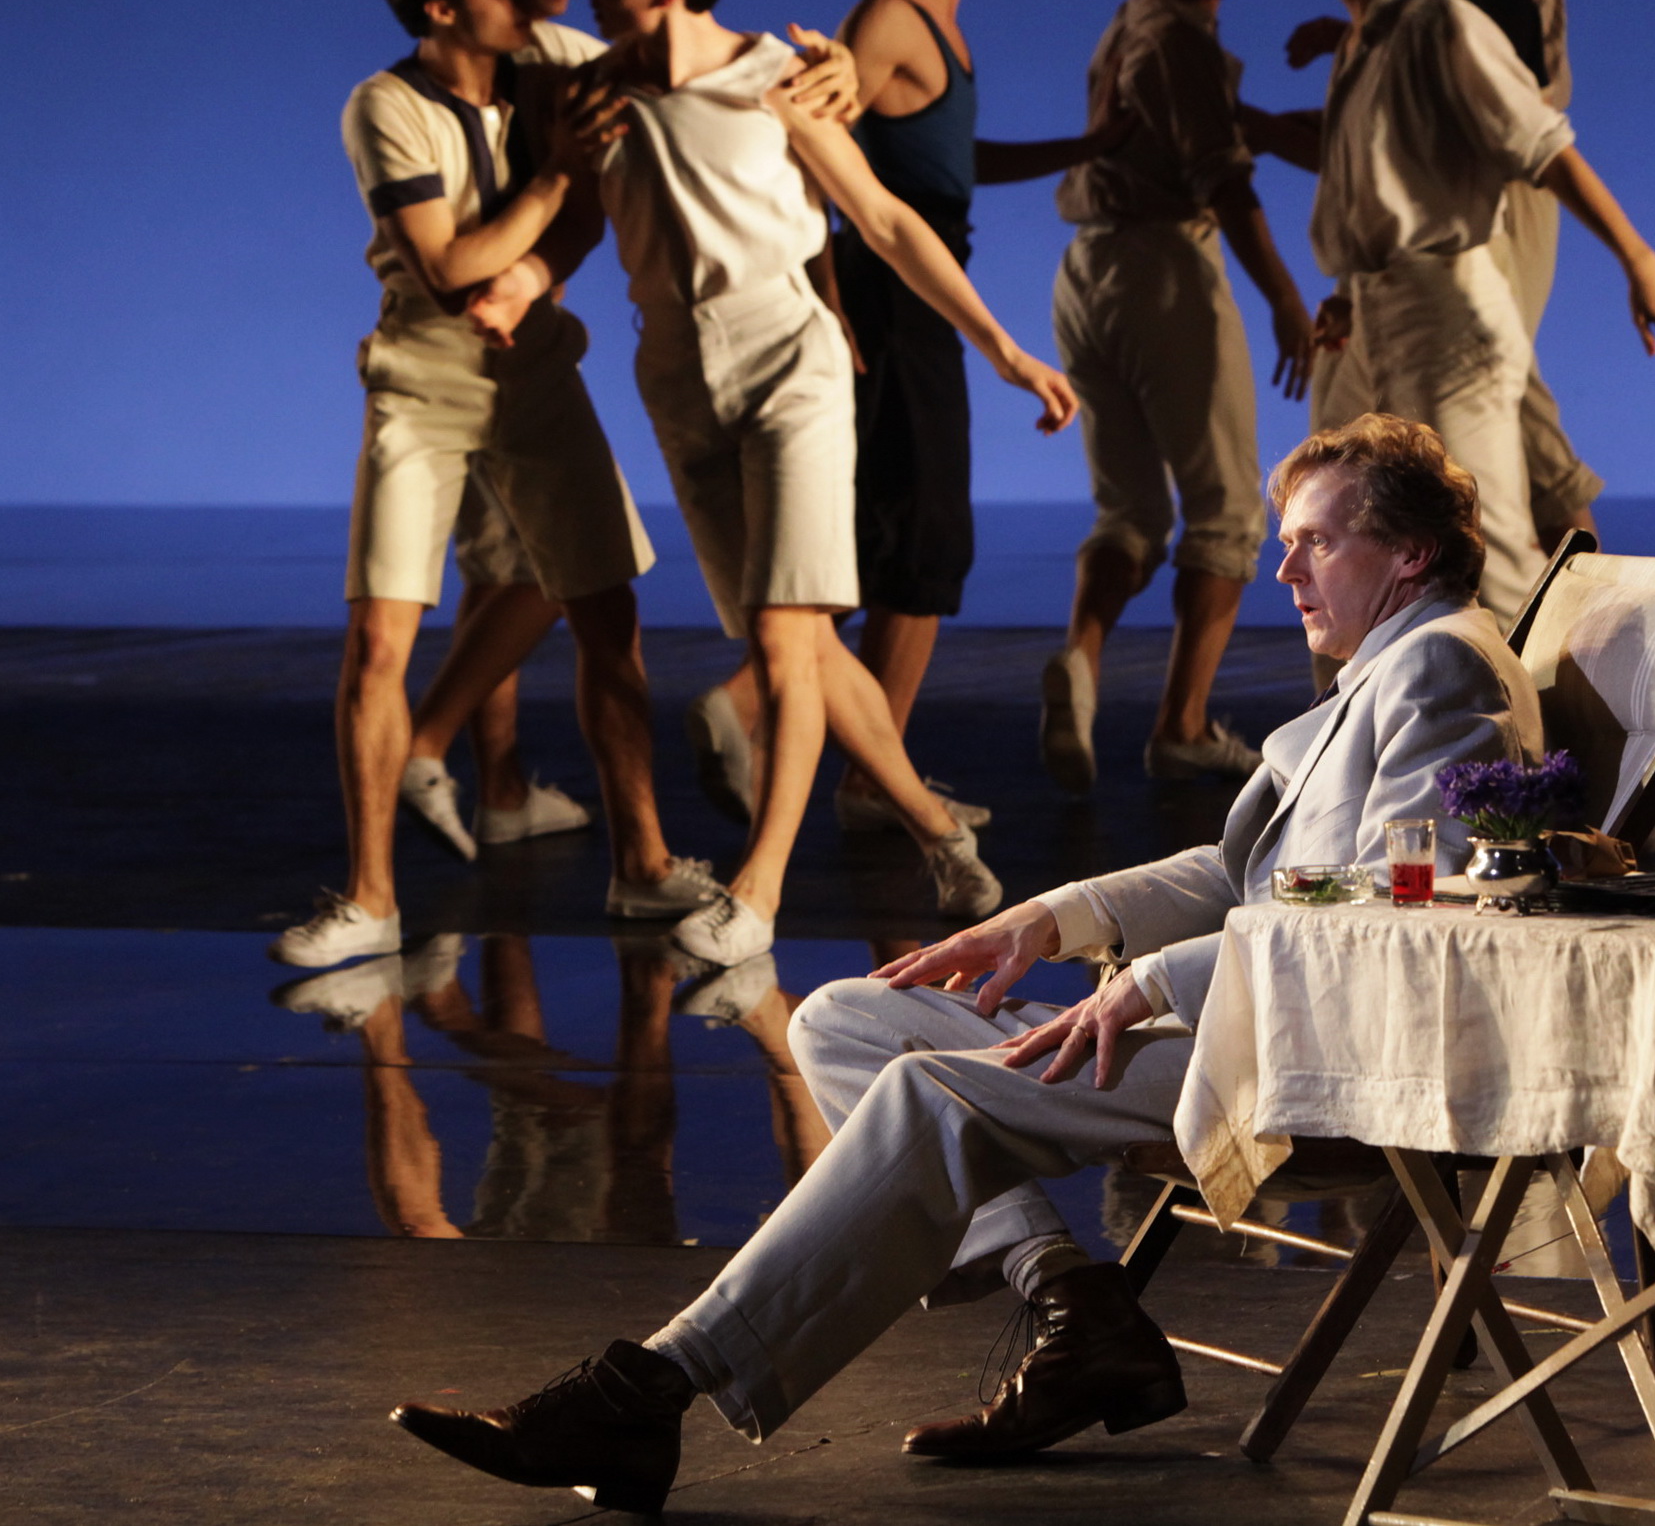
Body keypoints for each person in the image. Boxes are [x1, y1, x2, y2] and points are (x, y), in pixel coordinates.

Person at [382, 414, 1542, 1507]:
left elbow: (1411, 902)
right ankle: (1077, 1307)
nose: (1284, 573)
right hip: (1249, 1018)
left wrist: (1158, 978)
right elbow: (1261, 872)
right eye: (1286, 544)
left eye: (1317, 543)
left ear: (1411, 554)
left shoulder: (1441, 667)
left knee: (933, 1094)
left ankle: (649, 1391)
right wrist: (1051, 920)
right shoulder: (1396, 660)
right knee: (845, 1018)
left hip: (1320, 1063)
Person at [572, 0, 1079, 968]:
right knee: (797, 640)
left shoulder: (779, 79)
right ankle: (939, 834)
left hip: (788, 358)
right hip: (676, 371)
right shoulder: (593, 96)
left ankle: (756, 893)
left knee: (781, 634)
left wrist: (1005, 350)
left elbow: (885, 219)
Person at [269, 0, 721, 972]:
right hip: (422, 381)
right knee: (380, 638)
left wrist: (824, 71)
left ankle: (644, 862)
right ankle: (371, 900)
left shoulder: (556, 58)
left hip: (533, 370)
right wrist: (554, 175)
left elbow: (692, 71)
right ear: (442, 6)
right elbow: (445, 266)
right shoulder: (385, 105)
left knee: (608, 612)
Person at [405, 0, 864, 860]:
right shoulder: (435, 82)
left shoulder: (583, 59)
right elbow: (477, 242)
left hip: (535, 342)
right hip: (467, 351)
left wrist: (836, 68)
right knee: (536, 574)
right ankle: (449, 757)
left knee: (537, 576)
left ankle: (504, 789)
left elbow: (727, 98)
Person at [682, 0, 1125, 835]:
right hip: (889, 299)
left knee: (896, 538)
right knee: (918, 544)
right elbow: (821, 161)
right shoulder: (887, 20)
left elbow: (949, 162)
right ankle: (762, 713)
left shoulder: (938, 26)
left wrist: (1087, 146)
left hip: (913, 292)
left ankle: (851, 765)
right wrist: (833, 304)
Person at [1245, 0, 1655, 628]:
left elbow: (1544, 145)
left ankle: (1549, 712)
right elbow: (1370, 182)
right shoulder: (1361, 45)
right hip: (1373, 318)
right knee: (1346, 541)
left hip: (1448, 316)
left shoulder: (1438, 22)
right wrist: (1350, 290)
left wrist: (1641, 261)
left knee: (1486, 557)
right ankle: (1377, 709)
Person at [1040, 0, 1323, 796]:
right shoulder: (1180, 38)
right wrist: (1285, 297)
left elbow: (1192, 120)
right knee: (1229, 512)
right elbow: (1221, 181)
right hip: (1163, 270)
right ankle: (1183, 726)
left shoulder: (1135, 20)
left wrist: (1266, 125)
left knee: (1130, 511)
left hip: (1085, 272)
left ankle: (1080, 660)